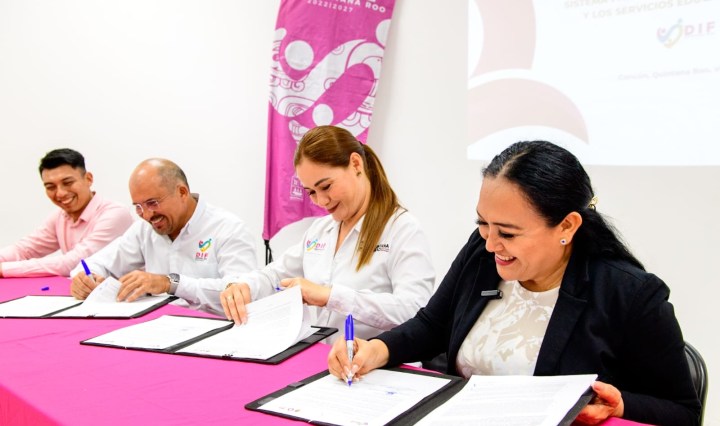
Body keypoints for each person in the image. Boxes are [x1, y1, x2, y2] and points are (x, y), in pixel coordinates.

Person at [328, 141, 701, 426]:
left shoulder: (630, 295)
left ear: (567, 226)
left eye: (507, 232)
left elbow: (683, 411)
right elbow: (433, 325)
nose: (491, 244)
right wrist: (376, 349)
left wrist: (622, 406)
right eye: (482, 224)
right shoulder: (482, 253)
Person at [221, 125, 434, 343]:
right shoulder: (320, 231)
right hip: (322, 358)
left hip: (377, 362)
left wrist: (330, 296)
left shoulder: (402, 230)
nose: (321, 201)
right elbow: (275, 275)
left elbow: (415, 311)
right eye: (311, 192)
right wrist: (244, 286)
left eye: (326, 186)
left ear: (356, 164)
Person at [70, 158, 257, 314]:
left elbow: (242, 290)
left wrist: (169, 283)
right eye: (138, 207)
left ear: (182, 192)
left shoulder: (228, 229)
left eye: (153, 203)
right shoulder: (144, 230)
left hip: (215, 330)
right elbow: (95, 264)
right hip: (156, 327)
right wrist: (85, 278)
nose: (146, 215)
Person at [0, 148, 134, 278]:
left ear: (88, 179)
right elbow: (24, 249)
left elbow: (74, 263)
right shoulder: (59, 217)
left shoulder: (115, 214)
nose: (60, 193)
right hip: (84, 290)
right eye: (51, 187)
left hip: (123, 291)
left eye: (68, 183)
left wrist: (4, 269)